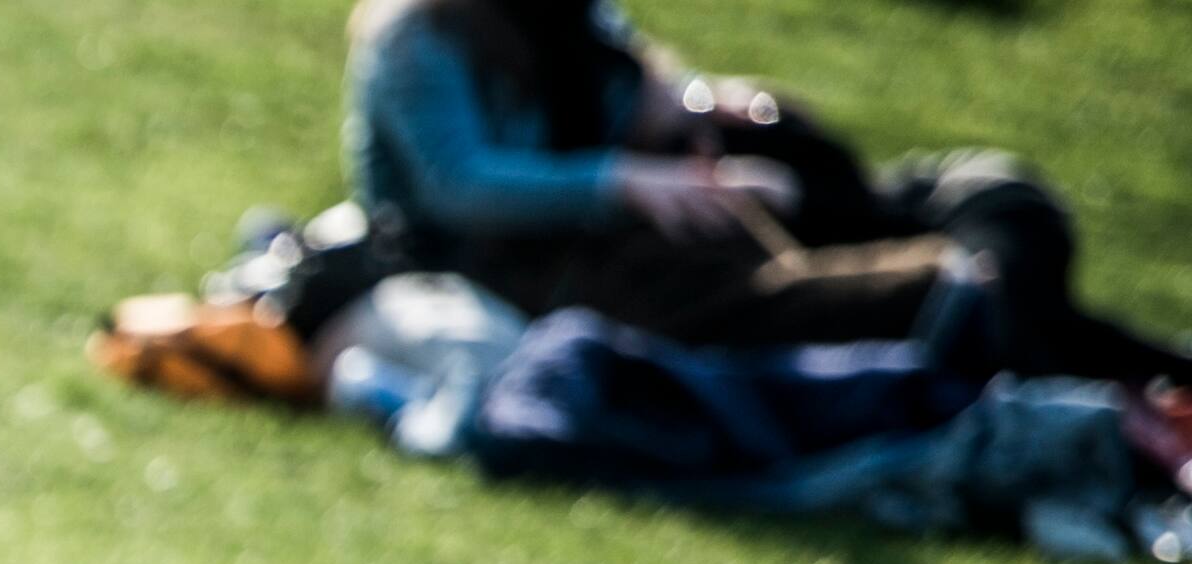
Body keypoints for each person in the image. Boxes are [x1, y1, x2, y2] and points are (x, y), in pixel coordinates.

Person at [341, 0, 1183, 383]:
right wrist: (630, 183)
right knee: (763, 289)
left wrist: (693, 105)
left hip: (616, 225)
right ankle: (961, 295)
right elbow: (460, 187)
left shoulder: (564, 15)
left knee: (795, 153)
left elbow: (625, 85)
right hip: (509, 265)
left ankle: (997, 285)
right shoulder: (421, 32)